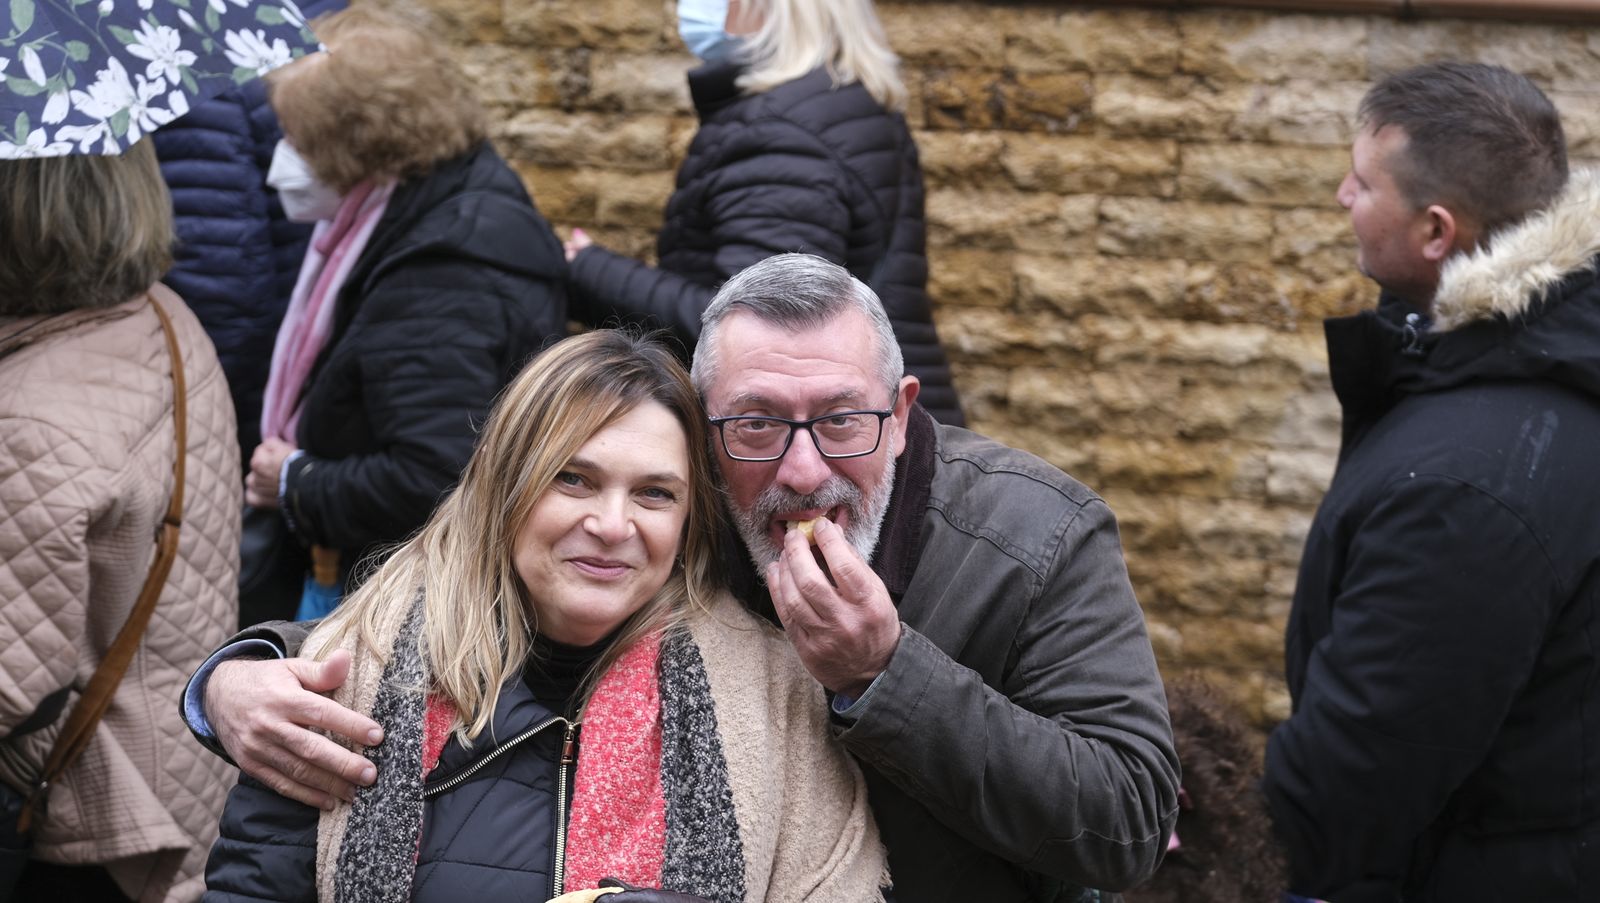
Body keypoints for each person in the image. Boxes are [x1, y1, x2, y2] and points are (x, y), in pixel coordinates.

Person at [186, 253, 1178, 902]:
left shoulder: (1033, 535)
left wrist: (885, 676)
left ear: (903, 406)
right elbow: (459, 585)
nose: (799, 469)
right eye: (754, 423)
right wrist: (233, 677)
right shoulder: (689, 509)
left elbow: (1130, 820)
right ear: (705, 434)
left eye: (842, 418)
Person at [202, 330, 889, 903]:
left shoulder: (775, 703)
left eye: (654, 493)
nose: (612, 524)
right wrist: (219, 680)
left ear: (689, 521)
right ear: (507, 485)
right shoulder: (349, 676)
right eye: (574, 478)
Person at [1262, 62, 1600, 901]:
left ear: (1437, 231)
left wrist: (1184, 852)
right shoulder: (1521, 361)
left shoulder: (1469, 487)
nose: (1342, 194)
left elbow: (1359, 771)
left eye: (1363, 181)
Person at [238, 6, 568, 624]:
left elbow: (431, 476)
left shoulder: (440, 271)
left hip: (407, 600)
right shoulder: (438, 200)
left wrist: (297, 482)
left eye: (299, 141)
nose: (282, 160)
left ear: (358, 146)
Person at [0, 139, 240, 901]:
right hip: (176, 762)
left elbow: (12, 684)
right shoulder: (159, 313)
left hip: (91, 821)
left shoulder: (30, 417)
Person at [563, 0, 965, 427]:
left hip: (839, 437)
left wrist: (590, 270)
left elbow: (759, 324)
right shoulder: (848, 102)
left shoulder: (781, 132)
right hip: (878, 416)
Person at [151, 0, 345, 467]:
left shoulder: (183, 52)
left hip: (229, 376)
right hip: (290, 343)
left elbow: (218, 266)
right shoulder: (289, 25)